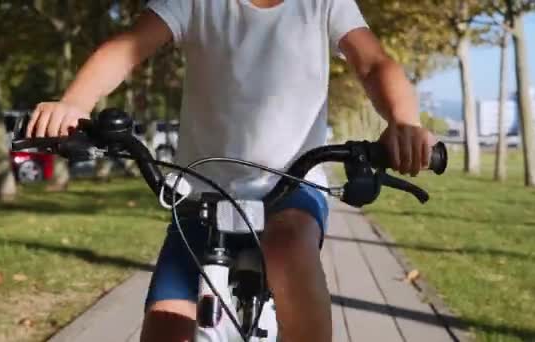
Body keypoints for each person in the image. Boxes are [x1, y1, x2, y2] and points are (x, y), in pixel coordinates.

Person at [27, 0, 436, 341]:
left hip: (291, 185)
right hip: (202, 191)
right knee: (166, 325)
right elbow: (127, 47)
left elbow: (373, 64)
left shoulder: (324, 2)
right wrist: (76, 104)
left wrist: (403, 121)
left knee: (290, 244)